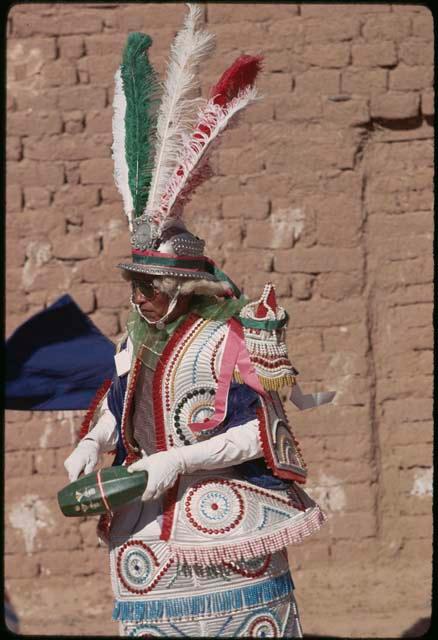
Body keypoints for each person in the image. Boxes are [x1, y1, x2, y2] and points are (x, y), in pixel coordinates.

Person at [64, 5, 333, 636]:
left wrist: (178, 463)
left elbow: (257, 429)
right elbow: (123, 398)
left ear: (184, 287)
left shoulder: (229, 338)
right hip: (147, 522)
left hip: (225, 513)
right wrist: (93, 441)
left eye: (151, 288)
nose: (140, 300)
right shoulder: (139, 337)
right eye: (135, 287)